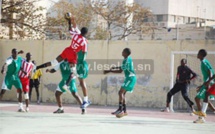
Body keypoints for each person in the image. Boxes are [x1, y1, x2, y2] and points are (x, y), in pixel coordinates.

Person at [36, 15, 88, 91]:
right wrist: (82, 60)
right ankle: (66, 85)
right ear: (86, 33)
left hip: (67, 50)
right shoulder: (84, 41)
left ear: (81, 31)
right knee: (73, 72)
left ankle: (37, 67)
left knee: (54, 62)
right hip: (73, 54)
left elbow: (71, 28)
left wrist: (69, 21)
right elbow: (84, 52)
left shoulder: (75, 35)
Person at [104, 48, 136, 118]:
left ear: (126, 53)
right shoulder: (128, 59)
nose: (122, 52)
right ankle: (124, 111)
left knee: (120, 92)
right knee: (123, 93)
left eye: (123, 51)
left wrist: (109, 71)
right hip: (131, 78)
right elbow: (122, 67)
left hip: (130, 78)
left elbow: (120, 71)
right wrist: (114, 68)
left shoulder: (126, 60)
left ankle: (120, 109)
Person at [193, 49, 215, 123]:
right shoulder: (205, 61)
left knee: (197, 98)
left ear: (201, 55)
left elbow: (210, 73)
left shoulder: (204, 63)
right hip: (208, 83)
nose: (197, 54)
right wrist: (202, 85)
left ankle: (201, 117)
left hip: (209, 83)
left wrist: (208, 83)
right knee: (205, 99)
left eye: (198, 53)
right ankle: (201, 117)